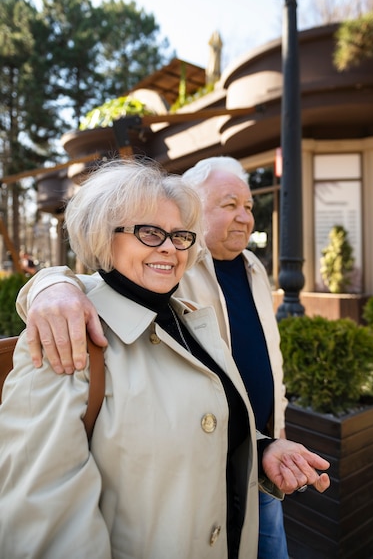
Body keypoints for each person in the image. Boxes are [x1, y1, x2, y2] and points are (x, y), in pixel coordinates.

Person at [15, 158, 330, 557]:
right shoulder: (67, 335)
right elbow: (46, 524)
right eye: (149, 232)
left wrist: (261, 445)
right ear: (102, 233)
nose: (169, 246)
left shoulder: (189, 320)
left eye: (180, 234)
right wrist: (49, 283)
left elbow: (194, 422)